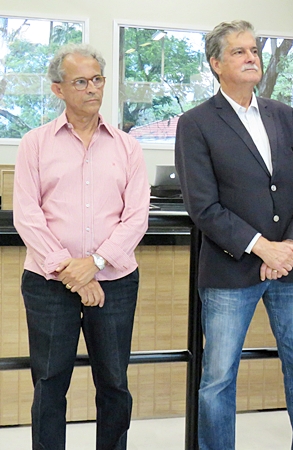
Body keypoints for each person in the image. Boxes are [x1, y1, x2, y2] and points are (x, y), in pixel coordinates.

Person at [174, 20, 293, 450]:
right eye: (239, 51)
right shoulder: (196, 123)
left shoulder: (284, 115)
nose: (251, 57)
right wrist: (262, 248)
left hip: (292, 268)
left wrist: (290, 246)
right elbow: (203, 206)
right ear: (216, 63)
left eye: (254, 50)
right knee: (218, 379)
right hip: (230, 270)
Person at [13, 43, 150, 450]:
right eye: (80, 82)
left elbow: (136, 217)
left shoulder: (127, 146)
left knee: (114, 382)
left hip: (115, 282)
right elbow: (27, 215)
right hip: (48, 283)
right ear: (58, 89)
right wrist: (71, 271)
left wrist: (96, 262)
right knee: (50, 382)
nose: (92, 89)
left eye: (97, 80)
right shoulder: (35, 143)